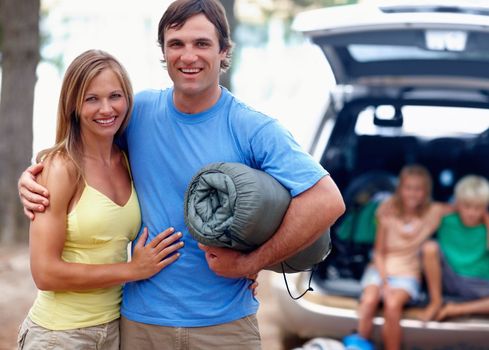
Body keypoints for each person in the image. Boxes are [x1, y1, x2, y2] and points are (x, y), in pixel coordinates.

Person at [18, 1, 345, 349]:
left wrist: (254, 261)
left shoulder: (253, 127)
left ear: (224, 50)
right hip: (140, 325)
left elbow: (326, 200)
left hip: (225, 327)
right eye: (176, 44)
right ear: (163, 52)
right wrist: (33, 175)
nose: (188, 56)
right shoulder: (136, 113)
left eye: (201, 43)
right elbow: (83, 149)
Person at [16, 50, 184, 349]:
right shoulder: (61, 168)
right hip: (59, 335)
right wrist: (132, 270)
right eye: (91, 98)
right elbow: (44, 273)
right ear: (73, 105)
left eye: (115, 96)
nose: (106, 109)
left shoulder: (129, 159)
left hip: (113, 331)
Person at [354, 165, 449, 350]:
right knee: (369, 301)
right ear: (400, 189)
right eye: (408, 188)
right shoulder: (388, 211)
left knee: (392, 304)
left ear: (426, 192)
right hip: (380, 269)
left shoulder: (433, 211)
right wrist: (384, 281)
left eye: (418, 189)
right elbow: (379, 252)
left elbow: (464, 208)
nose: (412, 194)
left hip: (408, 272)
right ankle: (359, 345)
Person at [421, 175, 489, 322]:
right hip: (449, 277)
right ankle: (435, 301)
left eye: (478, 208)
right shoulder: (444, 219)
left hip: (479, 283)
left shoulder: (486, 225)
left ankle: (456, 310)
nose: (472, 212)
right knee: (429, 247)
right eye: (467, 206)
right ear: (458, 204)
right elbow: (416, 213)